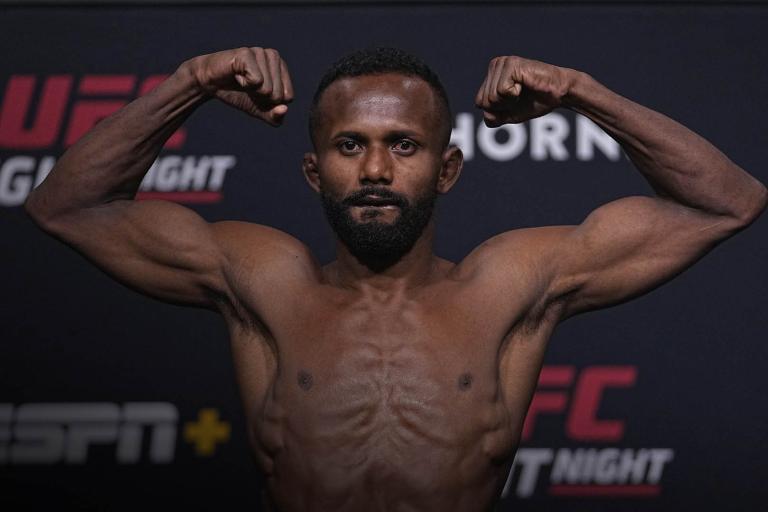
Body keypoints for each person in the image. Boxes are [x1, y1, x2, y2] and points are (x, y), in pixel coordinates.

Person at [24, 46, 766, 511]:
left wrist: (580, 90)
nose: (376, 171)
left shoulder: (509, 284)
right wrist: (188, 82)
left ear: (447, 169)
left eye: (404, 145)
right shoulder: (261, 281)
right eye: (351, 145)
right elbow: (68, 206)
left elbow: (728, 202)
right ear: (315, 171)